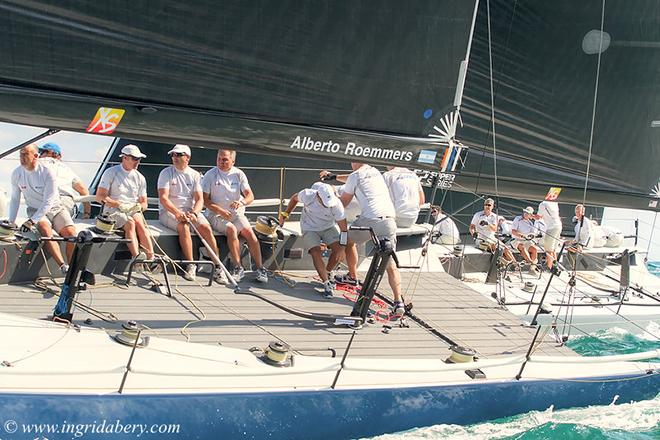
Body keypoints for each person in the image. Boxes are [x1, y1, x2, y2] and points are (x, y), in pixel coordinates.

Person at [320, 163, 406, 316]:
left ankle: (341, 275)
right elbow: (353, 179)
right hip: (390, 220)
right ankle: (398, 302)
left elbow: (343, 203)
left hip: (370, 220)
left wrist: (331, 193)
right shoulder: (375, 172)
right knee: (390, 263)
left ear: (354, 162)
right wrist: (335, 177)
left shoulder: (355, 176)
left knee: (345, 239)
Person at [157, 144, 225, 282]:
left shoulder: (194, 175)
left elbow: (200, 199)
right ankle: (191, 265)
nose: (175, 157)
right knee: (184, 227)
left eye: (179, 155)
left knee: (206, 227)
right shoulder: (166, 173)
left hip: (190, 211)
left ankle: (218, 267)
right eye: (173, 155)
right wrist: (177, 213)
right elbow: (163, 198)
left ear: (187, 158)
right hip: (168, 212)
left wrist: (194, 213)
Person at [7, 143, 75, 274]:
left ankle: (73, 269)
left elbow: (48, 201)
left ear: (36, 156)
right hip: (34, 208)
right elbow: (15, 199)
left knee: (72, 234)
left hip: (55, 208)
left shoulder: (47, 172)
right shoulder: (17, 174)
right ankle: (63, 266)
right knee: (45, 230)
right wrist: (11, 221)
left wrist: (31, 221)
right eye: (20, 154)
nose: (22, 157)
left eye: (25, 154)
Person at [202, 149, 267, 283]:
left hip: (236, 214)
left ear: (233, 161)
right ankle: (238, 267)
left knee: (249, 232)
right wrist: (220, 211)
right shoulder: (210, 175)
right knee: (231, 229)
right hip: (216, 215)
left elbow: (250, 196)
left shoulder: (239, 174)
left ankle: (260, 268)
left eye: (225, 159)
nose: (221, 162)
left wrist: (241, 202)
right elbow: (205, 200)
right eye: (219, 159)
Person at [279, 182, 348, 298]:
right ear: (318, 196)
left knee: (338, 250)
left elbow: (344, 229)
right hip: (309, 227)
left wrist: (342, 247)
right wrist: (286, 214)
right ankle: (326, 283)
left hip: (328, 227)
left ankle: (327, 272)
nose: (328, 206)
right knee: (315, 251)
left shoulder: (337, 205)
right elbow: (294, 199)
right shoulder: (307, 195)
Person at [96, 144, 155, 265]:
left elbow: (144, 203)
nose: (137, 162)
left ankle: (151, 259)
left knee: (140, 224)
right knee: (130, 224)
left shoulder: (140, 178)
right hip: (113, 210)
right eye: (134, 158)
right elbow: (100, 196)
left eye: (138, 159)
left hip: (132, 209)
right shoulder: (111, 172)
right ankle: (137, 258)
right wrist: (117, 204)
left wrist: (139, 207)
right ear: (124, 157)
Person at [38, 142, 92, 219]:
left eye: (42, 152)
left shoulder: (38, 164)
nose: (39, 155)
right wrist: (87, 213)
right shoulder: (67, 169)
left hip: (44, 202)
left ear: (53, 154)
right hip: (66, 203)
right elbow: (83, 190)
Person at [469, 198, 515, 264]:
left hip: (491, 237)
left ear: (492, 206)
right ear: (484, 206)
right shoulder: (478, 215)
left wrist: (487, 224)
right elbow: (471, 227)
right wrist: (473, 234)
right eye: (486, 205)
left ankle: (516, 265)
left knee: (506, 249)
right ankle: (505, 263)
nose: (487, 206)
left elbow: (494, 229)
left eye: (489, 205)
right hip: (481, 238)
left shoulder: (494, 216)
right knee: (493, 247)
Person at [511, 206, 540, 275]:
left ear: (531, 215)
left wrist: (533, 236)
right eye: (525, 212)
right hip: (516, 240)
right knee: (522, 247)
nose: (526, 214)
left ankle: (531, 269)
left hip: (526, 241)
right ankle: (532, 263)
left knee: (534, 249)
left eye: (528, 213)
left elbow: (532, 234)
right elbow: (513, 231)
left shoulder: (530, 223)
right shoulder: (517, 219)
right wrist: (521, 235)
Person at [537, 196, 562, 271]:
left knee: (548, 250)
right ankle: (555, 266)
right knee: (553, 249)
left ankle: (549, 267)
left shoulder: (542, 204)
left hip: (551, 228)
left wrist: (531, 216)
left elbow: (538, 217)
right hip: (559, 226)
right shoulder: (555, 202)